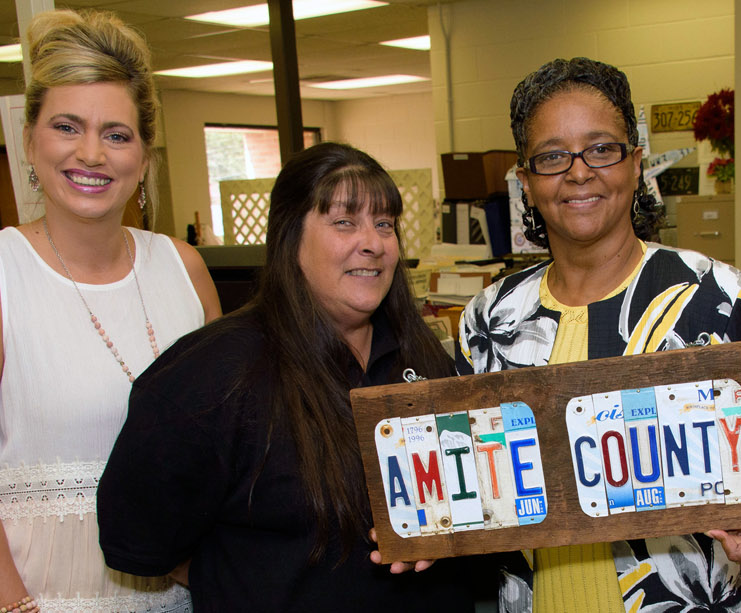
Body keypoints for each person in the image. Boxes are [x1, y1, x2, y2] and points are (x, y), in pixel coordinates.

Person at [455, 57, 741, 613]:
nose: (579, 172)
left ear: (635, 162)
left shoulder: (714, 299)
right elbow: (473, 490)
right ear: (526, 181)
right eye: (553, 155)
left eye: (601, 148)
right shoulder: (488, 320)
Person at [0, 9, 220, 613]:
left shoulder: (182, 268)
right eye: (66, 126)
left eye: (116, 134)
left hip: (177, 599)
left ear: (145, 155)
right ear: (30, 140)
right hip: (40, 598)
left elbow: (222, 451)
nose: (91, 153)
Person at [94, 143, 482, 611]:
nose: (374, 242)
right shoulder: (215, 374)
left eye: (384, 223)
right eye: (344, 221)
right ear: (289, 234)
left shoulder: (420, 354)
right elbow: (140, 536)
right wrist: (245, 579)